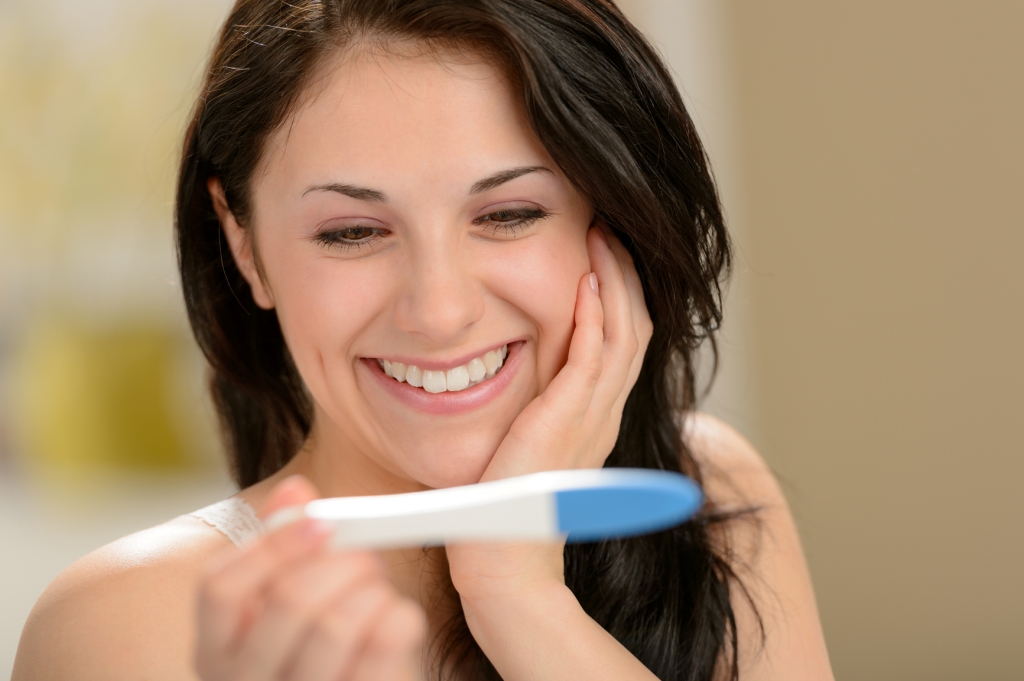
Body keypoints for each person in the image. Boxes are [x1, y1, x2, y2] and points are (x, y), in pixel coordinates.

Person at [13, 1, 834, 679]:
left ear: (608, 221)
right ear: (244, 246)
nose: (439, 311)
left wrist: (518, 596)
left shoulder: (709, 497)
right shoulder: (136, 625)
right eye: (353, 232)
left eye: (509, 215)